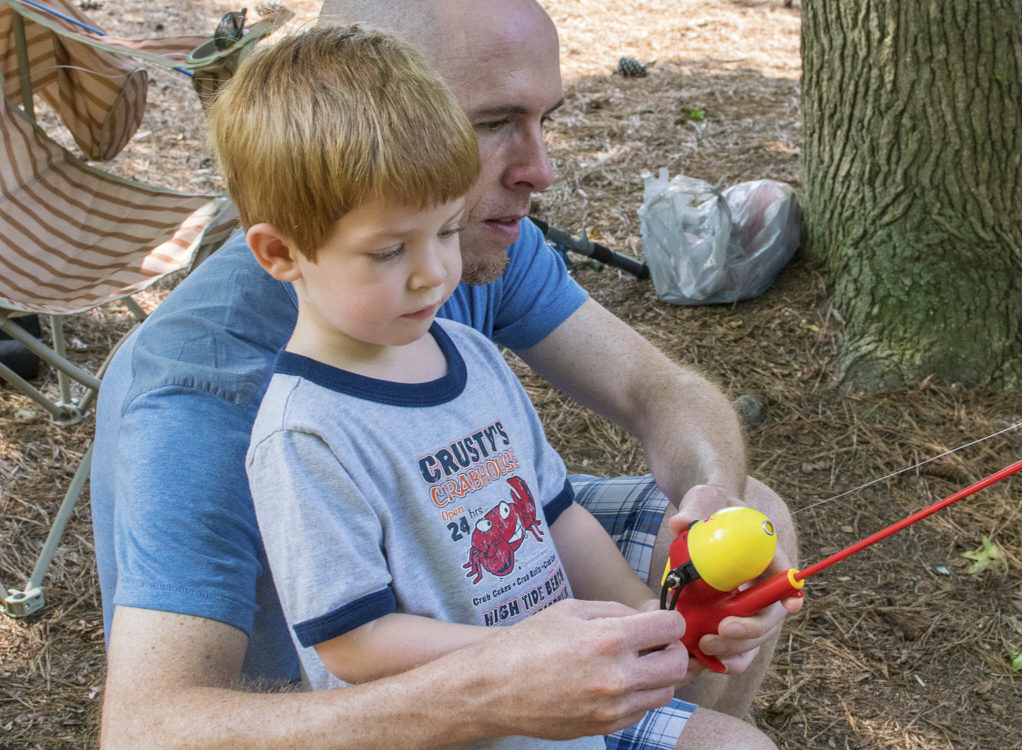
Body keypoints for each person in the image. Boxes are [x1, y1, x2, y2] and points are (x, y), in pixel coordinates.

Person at [91, 1, 800, 747]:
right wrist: (495, 681)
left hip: (487, 578)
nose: (541, 170)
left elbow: (658, 393)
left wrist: (700, 527)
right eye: (494, 122)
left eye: (543, 119)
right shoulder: (210, 394)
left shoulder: (450, 250)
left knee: (753, 512)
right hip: (340, 715)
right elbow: (148, 730)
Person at [220, 26, 721, 748]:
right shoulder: (307, 433)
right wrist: (518, 659)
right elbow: (352, 642)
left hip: (569, 701)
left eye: (448, 231)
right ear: (280, 252)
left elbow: (556, 519)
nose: (433, 274)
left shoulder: (470, 356)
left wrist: (651, 618)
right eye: (390, 249)